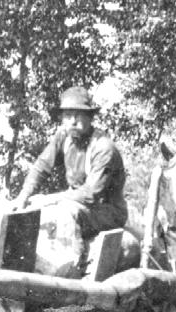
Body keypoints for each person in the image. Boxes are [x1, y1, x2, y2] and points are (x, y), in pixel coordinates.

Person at [14, 85, 127, 273]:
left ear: (90, 118)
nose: (72, 121)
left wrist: (51, 198)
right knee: (31, 207)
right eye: (67, 116)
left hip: (106, 210)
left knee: (66, 212)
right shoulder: (63, 137)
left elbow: (91, 194)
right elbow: (41, 166)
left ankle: (73, 269)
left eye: (78, 115)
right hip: (77, 202)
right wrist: (23, 196)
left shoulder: (103, 147)